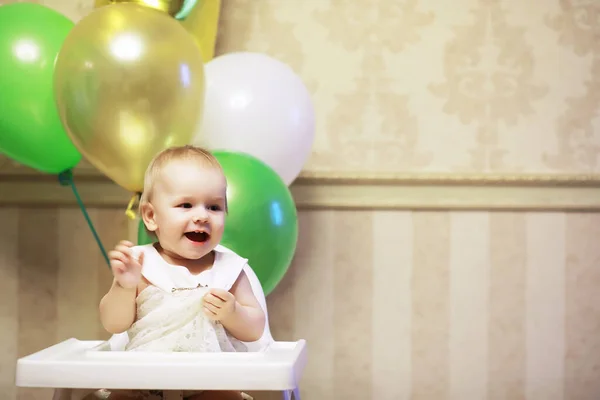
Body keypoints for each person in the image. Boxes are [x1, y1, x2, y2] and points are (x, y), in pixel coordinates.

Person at [93, 145, 266, 400]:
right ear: (151, 216)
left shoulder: (229, 269)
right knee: (121, 395)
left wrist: (234, 313)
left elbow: (255, 330)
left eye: (214, 207)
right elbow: (113, 323)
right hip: (144, 379)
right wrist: (124, 287)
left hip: (212, 380)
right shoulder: (141, 264)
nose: (202, 216)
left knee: (228, 396)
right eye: (186, 205)